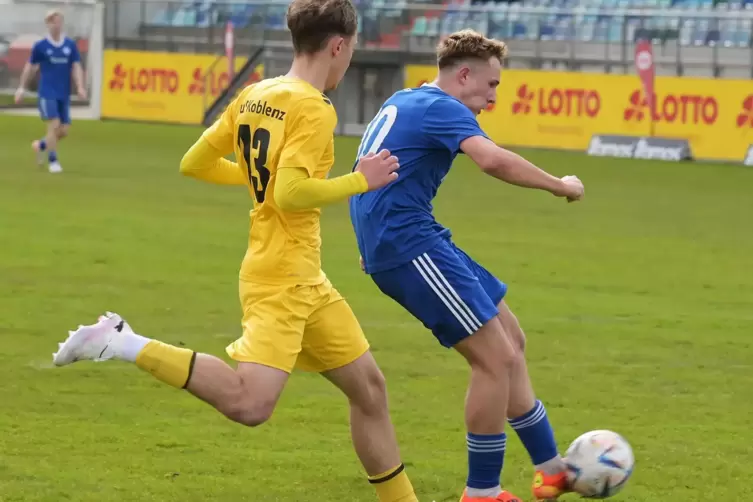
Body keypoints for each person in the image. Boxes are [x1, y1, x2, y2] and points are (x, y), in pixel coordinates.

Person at [51, 1, 418, 501]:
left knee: (369, 390)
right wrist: (361, 180)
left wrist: (259, 184)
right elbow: (289, 193)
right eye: (350, 50)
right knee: (250, 405)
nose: (348, 59)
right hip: (282, 280)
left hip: (305, 278)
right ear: (338, 45)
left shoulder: (257, 92)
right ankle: (121, 341)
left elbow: (195, 162)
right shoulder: (313, 107)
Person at [349, 30, 585, 502]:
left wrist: (369, 239)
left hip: (413, 238)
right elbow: (492, 160)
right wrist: (559, 184)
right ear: (463, 75)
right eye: (491, 85)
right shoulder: (443, 108)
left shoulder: (407, 98)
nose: (493, 98)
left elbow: (370, 169)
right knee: (493, 358)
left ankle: (551, 469)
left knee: (510, 338)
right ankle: (482, 492)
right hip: (409, 245)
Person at [15, 9, 87, 174]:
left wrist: (80, 86)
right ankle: (53, 160)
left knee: (64, 130)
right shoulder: (41, 46)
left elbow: (76, 66)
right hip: (47, 92)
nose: (57, 24)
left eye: (59, 21)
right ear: (48, 24)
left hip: (64, 93)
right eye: (54, 21)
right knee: (53, 126)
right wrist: (21, 88)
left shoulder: (69, 45)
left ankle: (40, 145)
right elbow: (30, 67)